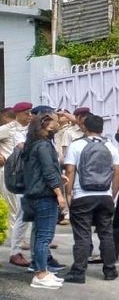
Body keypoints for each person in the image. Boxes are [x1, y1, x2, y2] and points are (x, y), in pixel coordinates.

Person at [62, 114, 119, 284]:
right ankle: (110, 270)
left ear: (84, 128)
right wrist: (113, 194)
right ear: (102, 129)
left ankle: (78, 272)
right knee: (106, 234)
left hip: (82, 196)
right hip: (105, 196)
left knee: (82, 234)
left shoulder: (76, 145)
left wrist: (68, 194)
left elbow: (70, 171)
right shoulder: (111, 146)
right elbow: (117, 173)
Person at [22, 112, 66, 290]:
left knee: (40, 235)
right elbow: (48, 171)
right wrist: (60, 194)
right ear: (47, 123)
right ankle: (40, 274)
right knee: (44, 237)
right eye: (56, 121)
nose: (59, 123)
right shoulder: (44, 145)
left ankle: (43, 271)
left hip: (34, 195)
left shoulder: (32, 145)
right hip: (44, 196)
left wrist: (59, 177)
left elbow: (39, 171)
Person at [0, 101, 33, 268]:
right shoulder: (9, 128)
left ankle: (21, 242)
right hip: (9, 173)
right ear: (18, 114)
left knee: (23, 210)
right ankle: (16, 249)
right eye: (26, 113)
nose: (29, 116)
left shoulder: (29, 128)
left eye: (30, 113)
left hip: (25, 173)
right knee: (15, 208)